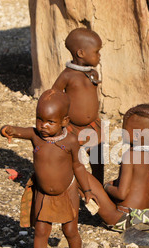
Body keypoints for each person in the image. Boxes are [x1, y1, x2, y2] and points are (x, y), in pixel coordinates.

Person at [0, 89, 97, 248]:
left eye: (50, 122)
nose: (43, 126)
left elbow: (78, 166)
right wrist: (6, 130)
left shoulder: (70, 142)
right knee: (41, 231)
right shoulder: (36, 136)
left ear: (65, 121)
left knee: (70, 230)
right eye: (39, 119)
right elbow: (15, 130)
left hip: (67, 192)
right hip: (43, 193)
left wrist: (87, 191)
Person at [86, 104, 149, 232]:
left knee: (83, 174)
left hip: (126, 218)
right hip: (148, 216)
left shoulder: (130, 155)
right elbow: (136, 183)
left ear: (137, 135)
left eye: (124, 130)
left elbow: (121, 194)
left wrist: (106, 187)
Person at [52, 27, 105, 185]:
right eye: (96, 52)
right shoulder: (67, 75)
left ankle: (98, 185)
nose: (99, 56)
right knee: (72, 158)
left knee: (98, 157)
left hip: (93, 125)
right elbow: (54, 95)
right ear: (81, 53)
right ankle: (71, 185)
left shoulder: (93, 74)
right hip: (72, 127)